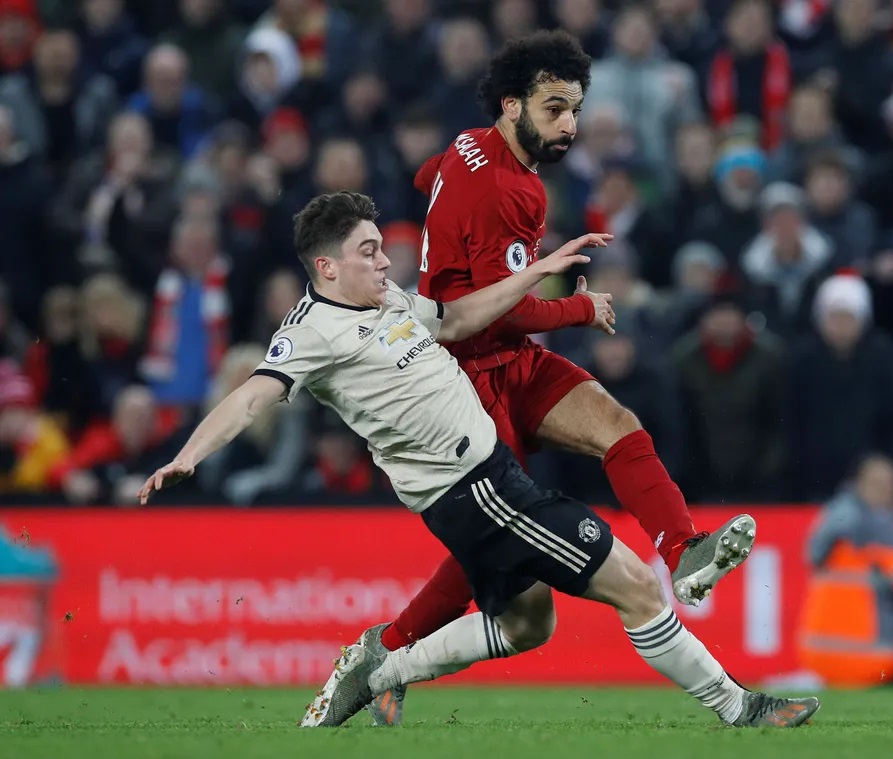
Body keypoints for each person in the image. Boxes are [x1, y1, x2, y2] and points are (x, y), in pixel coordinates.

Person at [137, 192, 815, 730]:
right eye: (369, 250)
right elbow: (252, 396)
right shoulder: (310, 332)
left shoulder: (390, 299)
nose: (385, 260)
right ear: (326, 267)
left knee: (526, 624)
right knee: (636, 587)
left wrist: (537, 275)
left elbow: (458, 320)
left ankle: (382, 666)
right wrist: (188, 454)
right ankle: (739, 707)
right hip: (477, 491)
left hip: (487, 481)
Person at [374, 30, 757, 725]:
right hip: (466, 380)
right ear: (512, 104)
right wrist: (584, 304)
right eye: (555, 109)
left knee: (616, 424)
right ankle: (387, 652)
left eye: (575, 109)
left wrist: (444, 219)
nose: (570, 125)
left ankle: (684, 549)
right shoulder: (507, 188)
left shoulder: (469, 147)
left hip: (507, 361)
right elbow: (500, 310)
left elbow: (425, 175)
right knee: (492, 551)